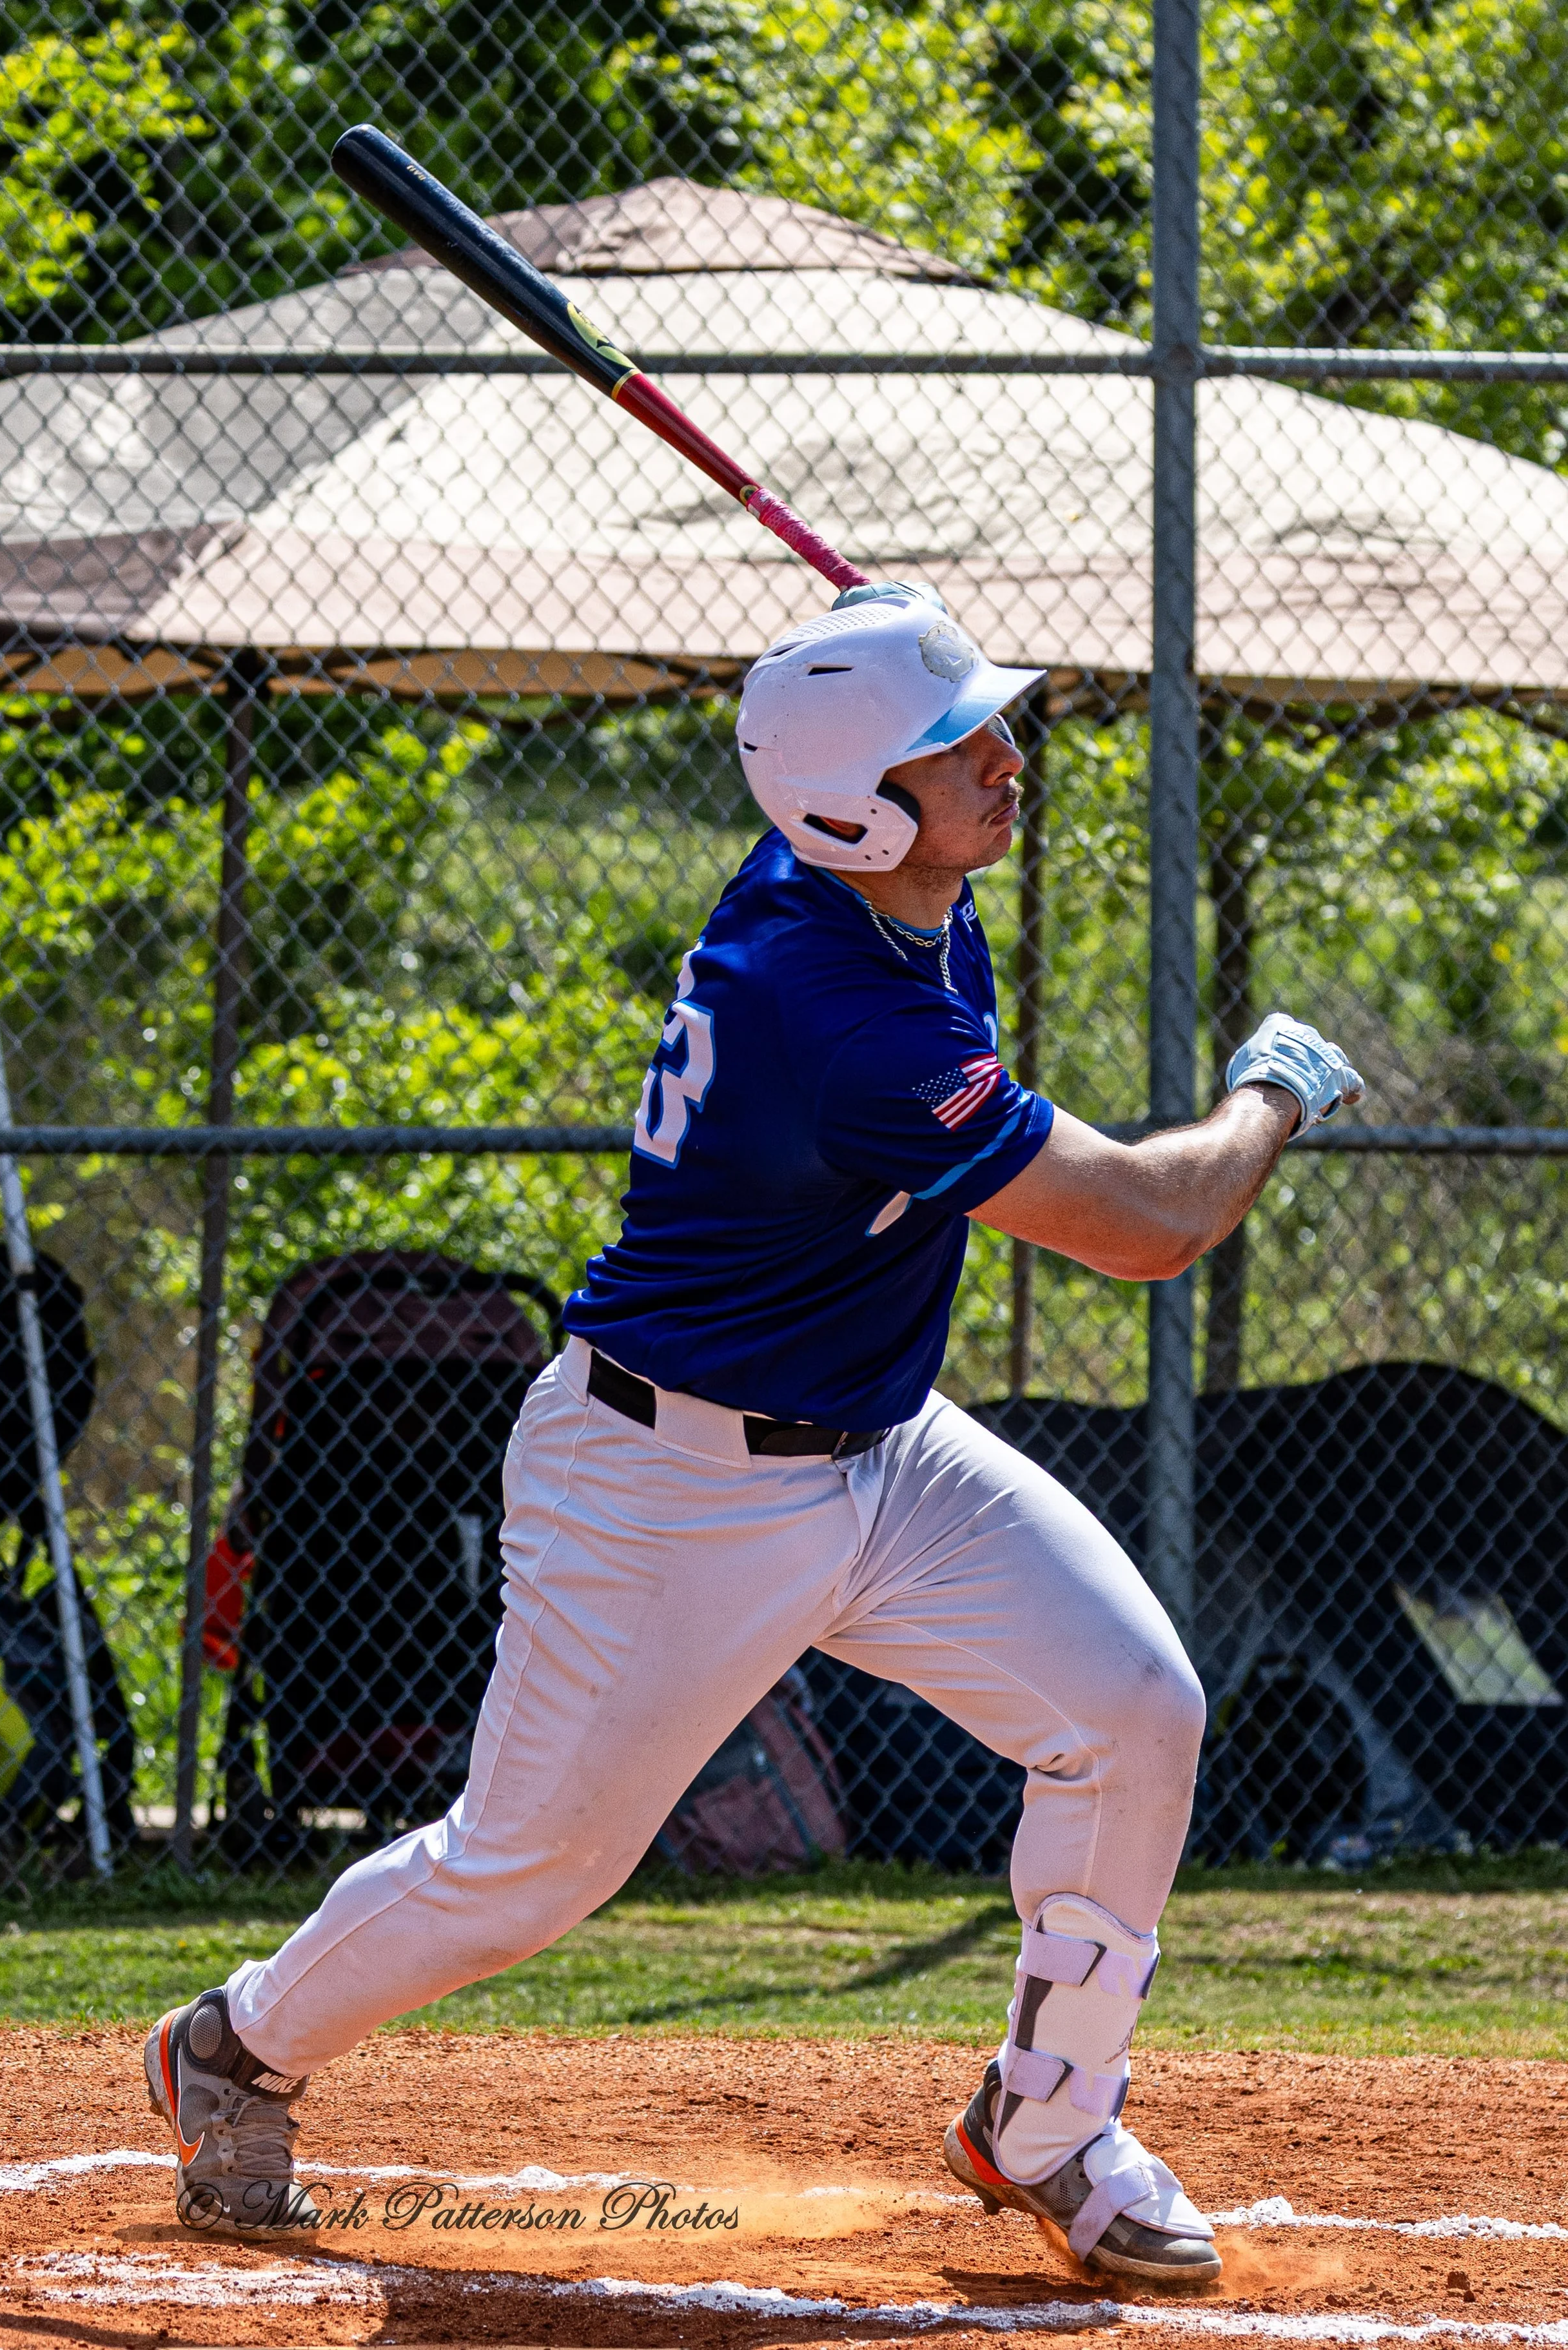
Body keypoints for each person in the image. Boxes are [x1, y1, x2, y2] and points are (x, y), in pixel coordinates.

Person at [145, 586, 1362, 2284]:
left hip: (874, 1444)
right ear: (854, 804)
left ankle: (1048, 2120)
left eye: (988, 723)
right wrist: (1272, 1094)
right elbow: (1148, 1227)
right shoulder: (841, 1015)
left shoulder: (869, 876)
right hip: (664, 1490)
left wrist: (887, 649)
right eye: (959, 744)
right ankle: (240, 2041)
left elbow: (851, 733)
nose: (1009, 760)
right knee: (528, 1871)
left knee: (1134, 1708)